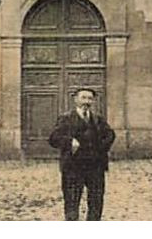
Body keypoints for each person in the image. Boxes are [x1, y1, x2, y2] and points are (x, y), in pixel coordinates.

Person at [47, 87, 117, 220]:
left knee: (96, 201)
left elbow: (110, 135)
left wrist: (100, 149)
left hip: (95, 166)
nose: (87, 101)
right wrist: (69, 142)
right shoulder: (66, 118)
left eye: (90, 98)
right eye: (83, 98)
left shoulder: (98, 119)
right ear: (75, 100)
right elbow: (53, 139)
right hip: (73, 167)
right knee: (72, 201)